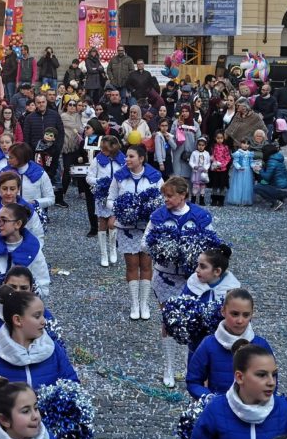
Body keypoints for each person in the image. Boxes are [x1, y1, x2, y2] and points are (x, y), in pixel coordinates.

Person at [146, 177, 220, 387]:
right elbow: (145, 243)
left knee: (195, 321)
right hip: (165, 278)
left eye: (169, 196)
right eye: (164, 195)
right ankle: (169, 367)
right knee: (168, 321)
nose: (165, 199)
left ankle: (191, 368)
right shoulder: (158, 216)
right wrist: (164, 250)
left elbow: (213, 243)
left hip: (193, 279)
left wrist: (193, 254)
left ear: (182, 195)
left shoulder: (200, 215)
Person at [0, 285, 79, 412]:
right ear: (17, 320)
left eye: (43, 315)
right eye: (37, 316)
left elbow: (72, 384)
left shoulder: (54, 350)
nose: (44, 321)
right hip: (7, 430)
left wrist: (51, 404)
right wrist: (5, 403)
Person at [187, 342, 287, 439]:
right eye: (262, 375)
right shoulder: (216, 409)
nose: (271, 382)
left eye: (274, 374)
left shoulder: (283, 409)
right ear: (240, 377)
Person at [109, 144, 164, 320]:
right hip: (126, 228)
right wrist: (122, 210)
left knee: (147, 265)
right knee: (132, 265)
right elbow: (110, 199)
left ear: (141, 159)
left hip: (148, 228)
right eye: (126, 156)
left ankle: (144, 304)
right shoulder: (119, 177)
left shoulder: (155, 177)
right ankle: (134, 304)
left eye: (131, 156)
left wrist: (149, 211)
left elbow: (162, 200)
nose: (127, 159)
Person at [187, 287, 270, 399]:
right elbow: (193, 381)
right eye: (235, 314)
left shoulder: (261, 346)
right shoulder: (209, 344)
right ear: (223, 311)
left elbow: (271, 381)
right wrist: (210, 399)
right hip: (218, 412)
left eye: (246, 315)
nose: (240, 321)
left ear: (252, 315)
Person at [0, 267, 55, 346]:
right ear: (3, 286)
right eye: (13, 286)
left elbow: (57, 348)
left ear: (31, 289)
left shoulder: (44, 316)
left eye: (23, 288)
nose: (17, 292)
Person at [89, 134, 124, 263]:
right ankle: (104, 254)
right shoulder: (97, 160)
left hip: (117, 196)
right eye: (102, 148)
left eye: (105, 148)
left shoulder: (123, 160)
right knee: (102, 223)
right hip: (102, 195)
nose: (102, 151)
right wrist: (101, 182)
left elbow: (125, 176)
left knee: (113, 222)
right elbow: (89, 177)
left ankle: (113, 249)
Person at [253, 143, 287, 211]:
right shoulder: (278, 159)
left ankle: (276, 201)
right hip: (286, 188)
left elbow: (266, 177)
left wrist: (260, 170)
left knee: (256, 187)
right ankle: (280, 198)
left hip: (280, 190)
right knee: (264, 183)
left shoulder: (271, 161)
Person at [225, 138, 254, 206]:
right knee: (238, 185)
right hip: (239, 171)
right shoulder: (238, 153)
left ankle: (245, 200)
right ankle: (237, 199)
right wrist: (238, 167)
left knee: (246, 185)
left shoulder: (250, 153)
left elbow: (251, 162)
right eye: (244, 143)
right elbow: (235, 162)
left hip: (247, 172)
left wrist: (254, 166)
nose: (245, 145)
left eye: (247, 144)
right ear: (240, 144)